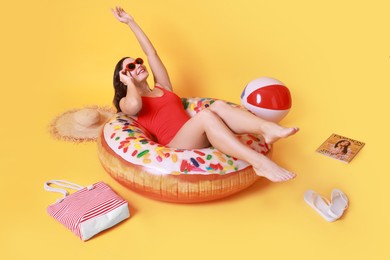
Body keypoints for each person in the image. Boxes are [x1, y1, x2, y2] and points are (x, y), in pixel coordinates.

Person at [111, 6, 299, 182]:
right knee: (206, 116)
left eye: (137, 61)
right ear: (124, 77)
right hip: (176, 144)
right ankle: (259, 163)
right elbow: (134, 105)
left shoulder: (162, 87)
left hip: (195, 133)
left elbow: (151, 53)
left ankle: (267, 129)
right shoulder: (128, 103)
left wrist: (131, 22)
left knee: (217, 107)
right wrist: (128, 82)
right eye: (130, 67)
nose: (139, 65)